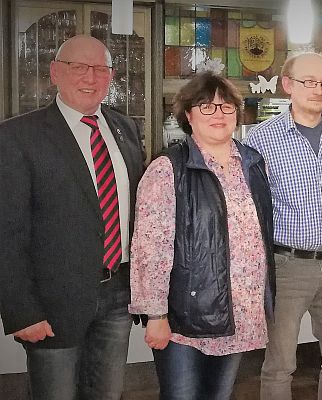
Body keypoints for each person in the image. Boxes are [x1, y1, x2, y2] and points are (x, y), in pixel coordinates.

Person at [0, 35, 145, 400]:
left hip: (118, 294)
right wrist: (21, 312)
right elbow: (7, 231)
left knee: (107, 394)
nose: (90, 77)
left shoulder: (125, 128)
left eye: (100, 69)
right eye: (78, 67)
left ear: (111, 76)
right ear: (55, 73)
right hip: (52, 302)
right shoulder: (17, 136)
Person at [128, 72, 276, 399]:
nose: (218, 114)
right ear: (188, 115)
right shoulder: (168, 169)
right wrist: (156, 314)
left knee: (218, 395)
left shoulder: (252, 163)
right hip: (186, 316)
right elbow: (150, 249)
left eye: (226, 107)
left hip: (238, 311)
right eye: (206, 106)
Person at [244, 52, 322, 400]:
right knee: (280, 364)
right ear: (287, 85)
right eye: (309, 82)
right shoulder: (261, 138)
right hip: (287, 265)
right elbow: (251, 207)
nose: (318, 90)